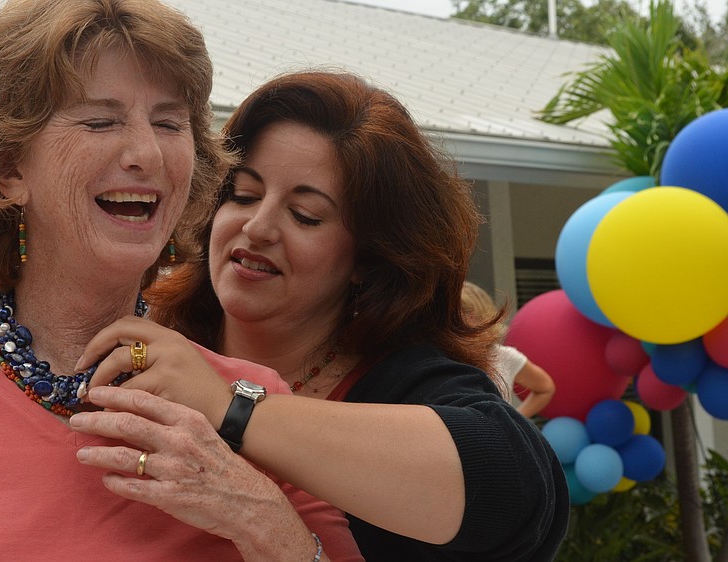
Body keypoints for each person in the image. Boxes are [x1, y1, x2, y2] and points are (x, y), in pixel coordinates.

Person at [0, 1, 363, 560]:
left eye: (169, 123)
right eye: (100, 121)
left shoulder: (253, 407)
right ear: (10, 170)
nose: (147, 154)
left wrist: (264, 519)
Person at [67, 71, 570, 561]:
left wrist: (230, 405)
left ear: (367, 257)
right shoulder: (144, 339)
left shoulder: (405, 383)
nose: (258, 227)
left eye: (305, 215)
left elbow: (519, 492)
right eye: (244, 195)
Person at [461, 281, 557, 418]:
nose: (455, 321)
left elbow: (545, 388)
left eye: (465, 312)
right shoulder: (437, 356)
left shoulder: (504, 356)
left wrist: (513, 420)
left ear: (483, 316)